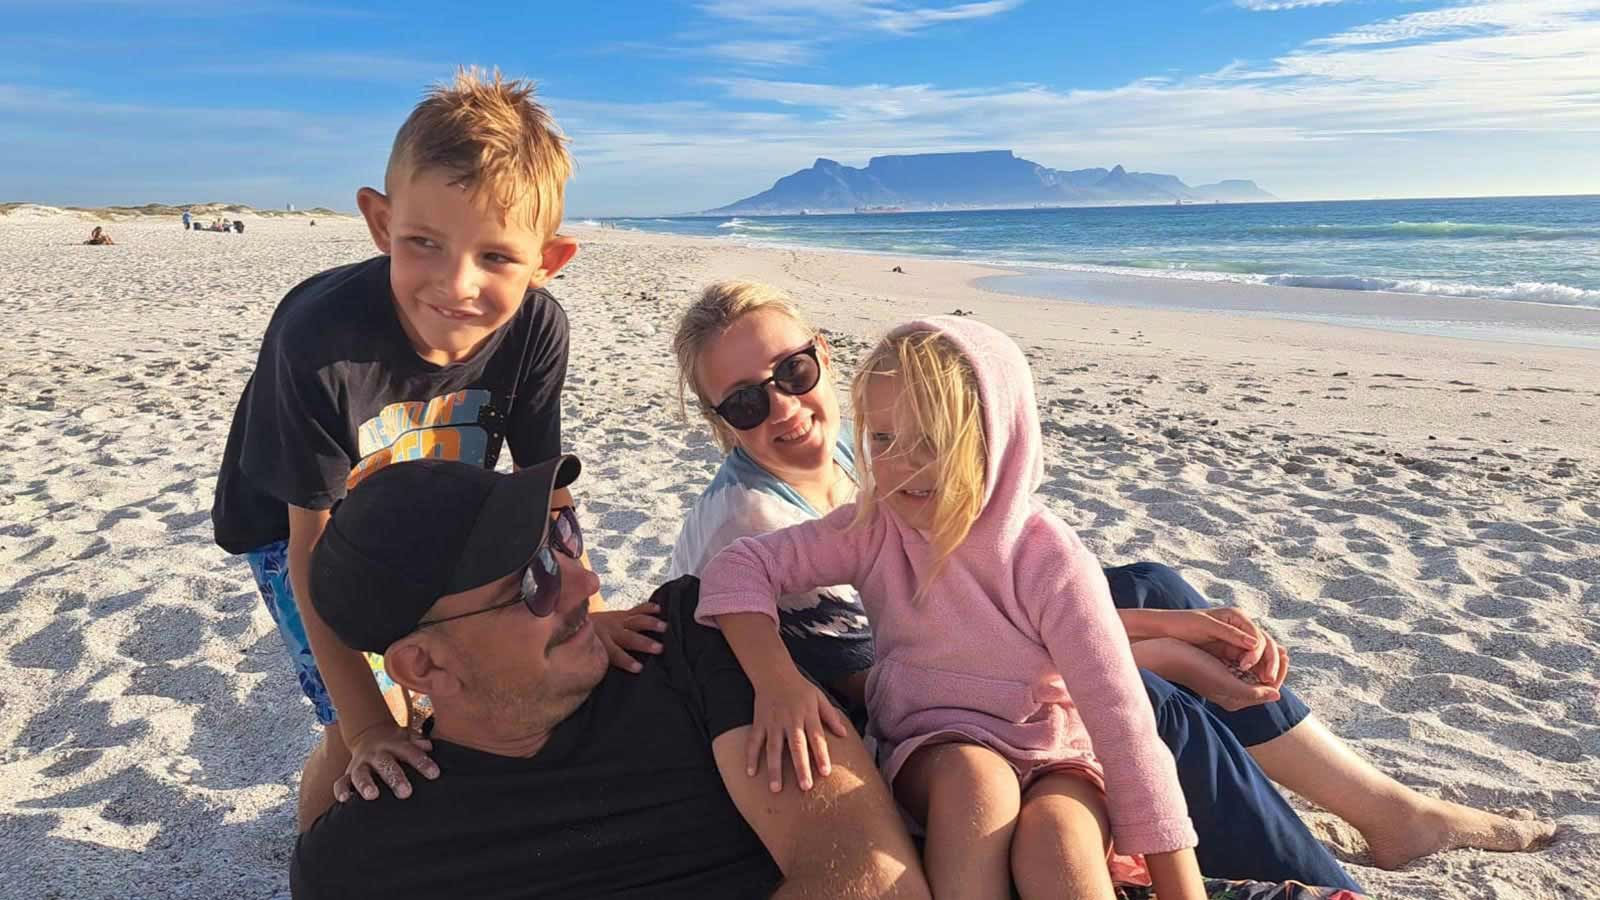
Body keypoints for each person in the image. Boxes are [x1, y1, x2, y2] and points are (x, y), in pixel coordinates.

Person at [667, 282, 1555, 884]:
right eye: (745, 402)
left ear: (823, 355)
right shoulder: (765, 517)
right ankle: (1314, 874)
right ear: (718, 422)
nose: (782, 406)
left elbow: (1000, 575)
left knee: (1160, 588)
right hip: (907, 710)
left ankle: (1387, 809)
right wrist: (1173, 655)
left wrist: (1167, 628)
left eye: (792, 372)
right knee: (1161, 705)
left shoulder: (874, 446)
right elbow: (904, 656)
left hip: (973, 638)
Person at [210, 68, 652, 832]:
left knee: (441, 694)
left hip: (428, 513)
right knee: (365, 734)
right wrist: (365, 726)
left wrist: (583, 610)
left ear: (548, 262)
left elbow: (545, 490)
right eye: (424, 243)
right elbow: (311, 546)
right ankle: (322, 858)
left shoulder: (538, 330)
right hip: (297, 525)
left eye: (497, 258)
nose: (456, 284)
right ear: (381, 224)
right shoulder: (321, 342)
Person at [697, 315, 1208, 900]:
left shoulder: (1050, 560)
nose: (902, 465)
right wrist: (777, 681)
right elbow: (738, 569)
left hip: (1054, 752)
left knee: (1059, 837)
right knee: (978, 783)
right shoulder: (874, 527)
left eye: (931, 441)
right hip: (931, 747)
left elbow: (1125, 728)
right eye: (883, 440)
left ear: (1000, 436)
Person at [290, 456, 932, 899]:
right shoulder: (369, 859)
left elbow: (869, 875)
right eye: (533, 580)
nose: (588, 582)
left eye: (562, 538)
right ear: (424, 665)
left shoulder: (692, 637)